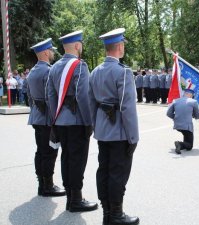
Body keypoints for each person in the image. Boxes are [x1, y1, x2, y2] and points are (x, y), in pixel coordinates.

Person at [89, 28, 139, 225]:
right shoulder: (123, 72)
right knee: (118, 173)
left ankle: (107, 212)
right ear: (119, 46)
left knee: (104, 170)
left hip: (103, 132)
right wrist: (133, 137)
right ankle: (116, 215)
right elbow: (128, 108)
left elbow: (91, 103)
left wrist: (96, 127)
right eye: (123, 44)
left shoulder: (95, 72)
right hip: (119, 133)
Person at [47, 31, 98, 212]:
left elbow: (50, 96)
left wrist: (56, 118)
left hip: (60, 121)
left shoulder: (53, 67)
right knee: (77, 160)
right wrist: (89, 122)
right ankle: (76, 200)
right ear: (77, 46)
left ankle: (70, 197)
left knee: (66, 158)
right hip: (77, 122)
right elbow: (83, 97)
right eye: (81, 44)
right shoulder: (79, 65)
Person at [27, 38, 65, 197]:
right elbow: (51, 97)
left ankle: (41, 183)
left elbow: (29, 97)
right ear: (44, 52)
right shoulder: (48, 71)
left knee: (40, 151)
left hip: (36, 116)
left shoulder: (32, 72)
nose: (52, 53)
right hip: (47, 117)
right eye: (50, 50)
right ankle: (48, 186)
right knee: (50, 151)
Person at [166, 89, 199, 154]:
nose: (192, 97)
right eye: (192, 95)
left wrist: (176, 118)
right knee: (190, 146)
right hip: (187, 127)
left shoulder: (175, 101)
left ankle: (180, 146)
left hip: (177, 125)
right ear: (190, 95)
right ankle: (179, 144)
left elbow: (168, 113)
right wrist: (194, 115)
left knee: (186, 138)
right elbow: (198, 116)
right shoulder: (193, 102)